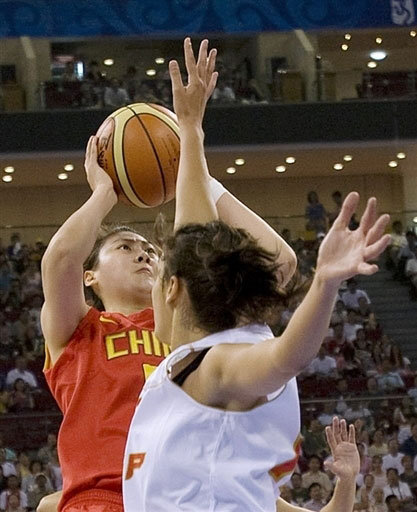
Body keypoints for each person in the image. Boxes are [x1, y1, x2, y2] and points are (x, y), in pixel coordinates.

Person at [122, 37, 390, 512]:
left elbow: (286, 356)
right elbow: (197, 237)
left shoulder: (216, 364)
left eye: (160, 272)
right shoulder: (194, 364)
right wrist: (189, 131)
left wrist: (325, 285)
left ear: (173, 289)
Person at [41, 38, 297, 512]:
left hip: (185, 493)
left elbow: (277, 264)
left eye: (151, 251)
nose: (144, 255)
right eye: (125, 247)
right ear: (91, 278)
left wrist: (196, 165)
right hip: (105, 498)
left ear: (172, 282)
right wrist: (105, 192)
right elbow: (59, 262)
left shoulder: (191, 322)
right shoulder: (81, 333)